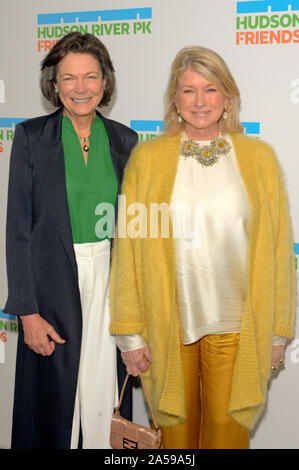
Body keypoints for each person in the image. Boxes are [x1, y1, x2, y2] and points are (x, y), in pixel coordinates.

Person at [109, 45, 296, 449]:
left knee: (227, 439)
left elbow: (280, 252)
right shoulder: (148, 160)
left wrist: (279, 332)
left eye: (210, 89)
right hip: (168, 329)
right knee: (174, 443)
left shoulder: (259, 159)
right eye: (188, 90)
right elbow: (128, 254)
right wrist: (129, 334)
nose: (199, 101)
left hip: (238, 328)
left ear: (227, 97)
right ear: (175, 99)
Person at [4, 32, 137, 449]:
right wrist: (27, 312)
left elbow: (133, 237)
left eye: (90, 77)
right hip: (52, 292)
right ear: (54, 84)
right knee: (53, 408)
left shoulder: (125, 141)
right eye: (69, 78)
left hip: (111, 287)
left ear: (105, 82)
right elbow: (18, 232)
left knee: (104, 401)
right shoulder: (30, 137)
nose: (80, 88)